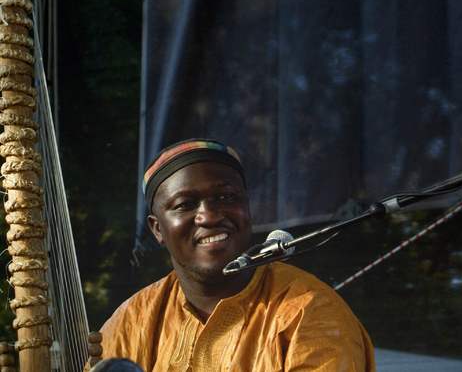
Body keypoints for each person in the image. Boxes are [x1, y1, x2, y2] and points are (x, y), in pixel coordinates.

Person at [89, 139, 376, 372]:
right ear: (157, 229)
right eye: (185, 204)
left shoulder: (307, 310)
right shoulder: (133, 319)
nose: (209, 216)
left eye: (226, 197)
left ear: (246, 208)